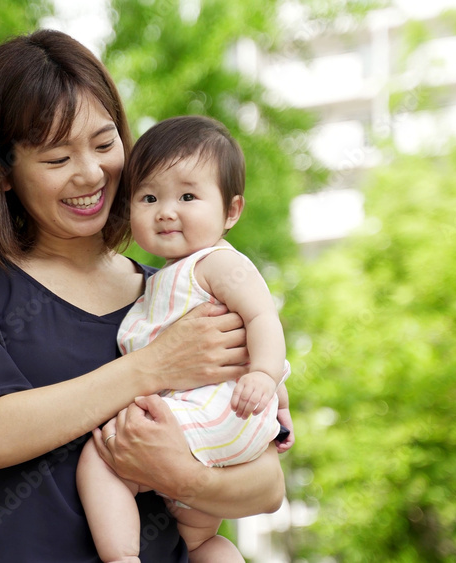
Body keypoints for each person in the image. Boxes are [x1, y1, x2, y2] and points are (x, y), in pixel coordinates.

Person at [0, 30, 286, 562]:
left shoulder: (172, 296)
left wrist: (185, 477)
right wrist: (151, 368)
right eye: (57, 158)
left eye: (105, 144)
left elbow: (267, 486)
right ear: (0, 169)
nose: (91, 173)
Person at [77, 116, 294, 563]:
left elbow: (263, 320)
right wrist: (282, 416)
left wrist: (265, 377)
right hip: (223, 424)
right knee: (198, 539)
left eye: (188, 196)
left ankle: (121, 557)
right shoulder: (165, 279)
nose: (166, 210)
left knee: (101, 457)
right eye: (149, 197)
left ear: (231, 211)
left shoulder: (215, 263)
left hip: (219, 411)